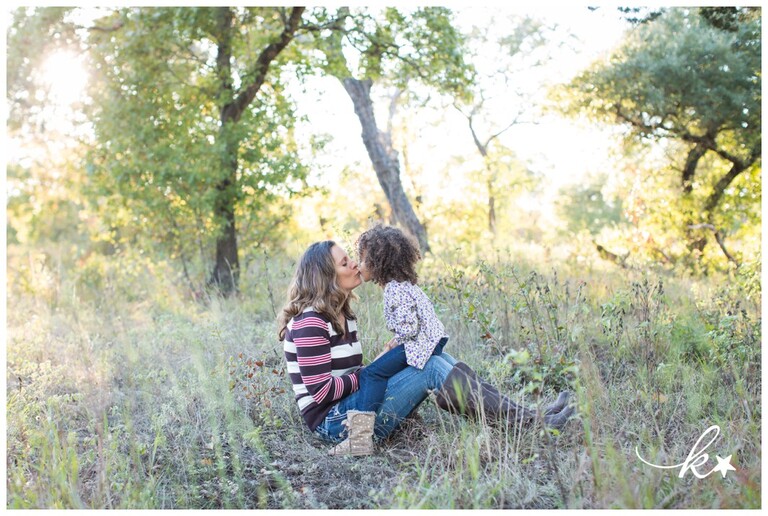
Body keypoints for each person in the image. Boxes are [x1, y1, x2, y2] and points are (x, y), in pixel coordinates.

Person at [278, 238, 573, 457]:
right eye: (345, 263)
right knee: (429, 366)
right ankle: (531, 425)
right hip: (336, 424)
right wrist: (369, 372)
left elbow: (353, 375)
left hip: (356, 407)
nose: (354, 263)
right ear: (326, 277)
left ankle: (533, 416)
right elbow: (321, 392)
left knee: (437, 355)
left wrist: (378, 367)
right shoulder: (310, 323)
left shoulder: (344, 314)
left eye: (351, 258)